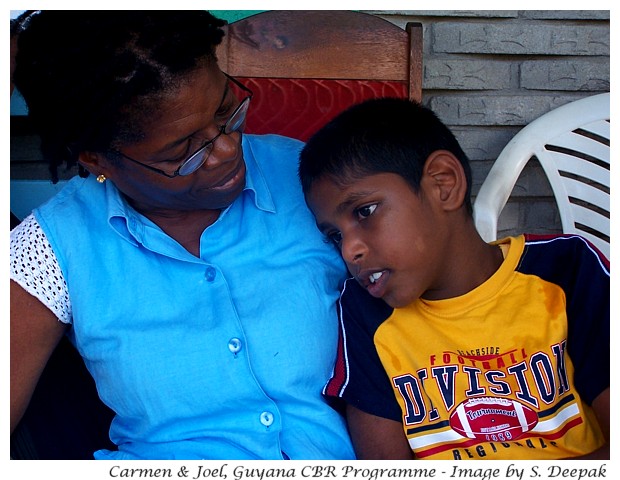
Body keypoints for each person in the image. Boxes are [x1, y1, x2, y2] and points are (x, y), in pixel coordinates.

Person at [10, 10, 355, 460]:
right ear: (96, 160)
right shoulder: (51, 248)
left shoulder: (315, 179)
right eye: (185, 152)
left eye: (226, 112)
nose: (228, 149)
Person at [298, 97, 610, 460]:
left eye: (364, 211)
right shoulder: (365, 311)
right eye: (334, 235)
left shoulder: (566, 270)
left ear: (443, 185)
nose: (349, 250)